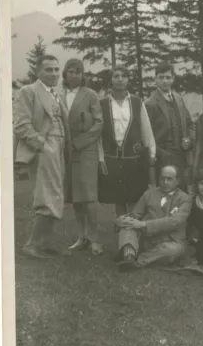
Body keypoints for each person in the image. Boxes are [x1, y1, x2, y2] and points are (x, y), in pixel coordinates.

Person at [13, 55, 71, 259]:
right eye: (49, 70)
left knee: (56, 194)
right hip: (45, 148)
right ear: (38, 72)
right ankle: (32, 244)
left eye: (57, 69)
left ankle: (46, 241)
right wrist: (43, 145)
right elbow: (20, 125)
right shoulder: (28, 91)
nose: (54, 74)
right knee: (47, 195)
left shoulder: (56, 95)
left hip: (59, 147)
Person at [97, 66, 156, 219]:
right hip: (113, 159)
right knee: (119, 199)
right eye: (116, 76)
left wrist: (151, 153)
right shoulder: (102, 104)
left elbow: (146, 129)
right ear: (111, 80)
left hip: (134, 158)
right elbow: (98, 134)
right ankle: (123, 236)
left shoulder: (136, 102)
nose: (120, 79)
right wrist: (101, 158)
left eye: (123, 76)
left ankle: (134, 234)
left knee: (135, 198)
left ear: (128, 80)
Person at [59, 58, 104, 255]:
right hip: (65, 152)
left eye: (78, 72)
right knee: (75, 197)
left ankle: (94, 239)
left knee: (88, 196)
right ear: (65, 73)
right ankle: (82, 236)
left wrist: (81, 142)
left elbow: (99, 123)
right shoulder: (58, 94)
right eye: (71, 71)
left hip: (86, 151)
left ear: (82, 75)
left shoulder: (90, 95)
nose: (75, 75)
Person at [114, 165, 191, 270]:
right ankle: (129, 257)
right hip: (148, 238)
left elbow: (175, 221)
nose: (165, 182)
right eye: (162, 178)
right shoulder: (149, 194)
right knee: (127, 226)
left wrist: (144, 224)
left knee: (172, 250)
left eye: (169, 179)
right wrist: (121, 221)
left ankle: (136, 260)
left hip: (171, 240)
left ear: (177, 181)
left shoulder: (184, 199)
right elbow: (135, 214)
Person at [145, 63, 194, 190]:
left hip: (181, 157)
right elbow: (146, 134)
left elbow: (190, 124)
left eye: (168, 77)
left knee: (182, 194)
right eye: (161, 77)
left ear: (173, 78)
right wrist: (159, 154)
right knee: (165, 196)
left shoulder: (178, 99)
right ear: (155, 79)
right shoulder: (150, 104)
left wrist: (189, 140)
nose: (164, 81)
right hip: (162, 158)